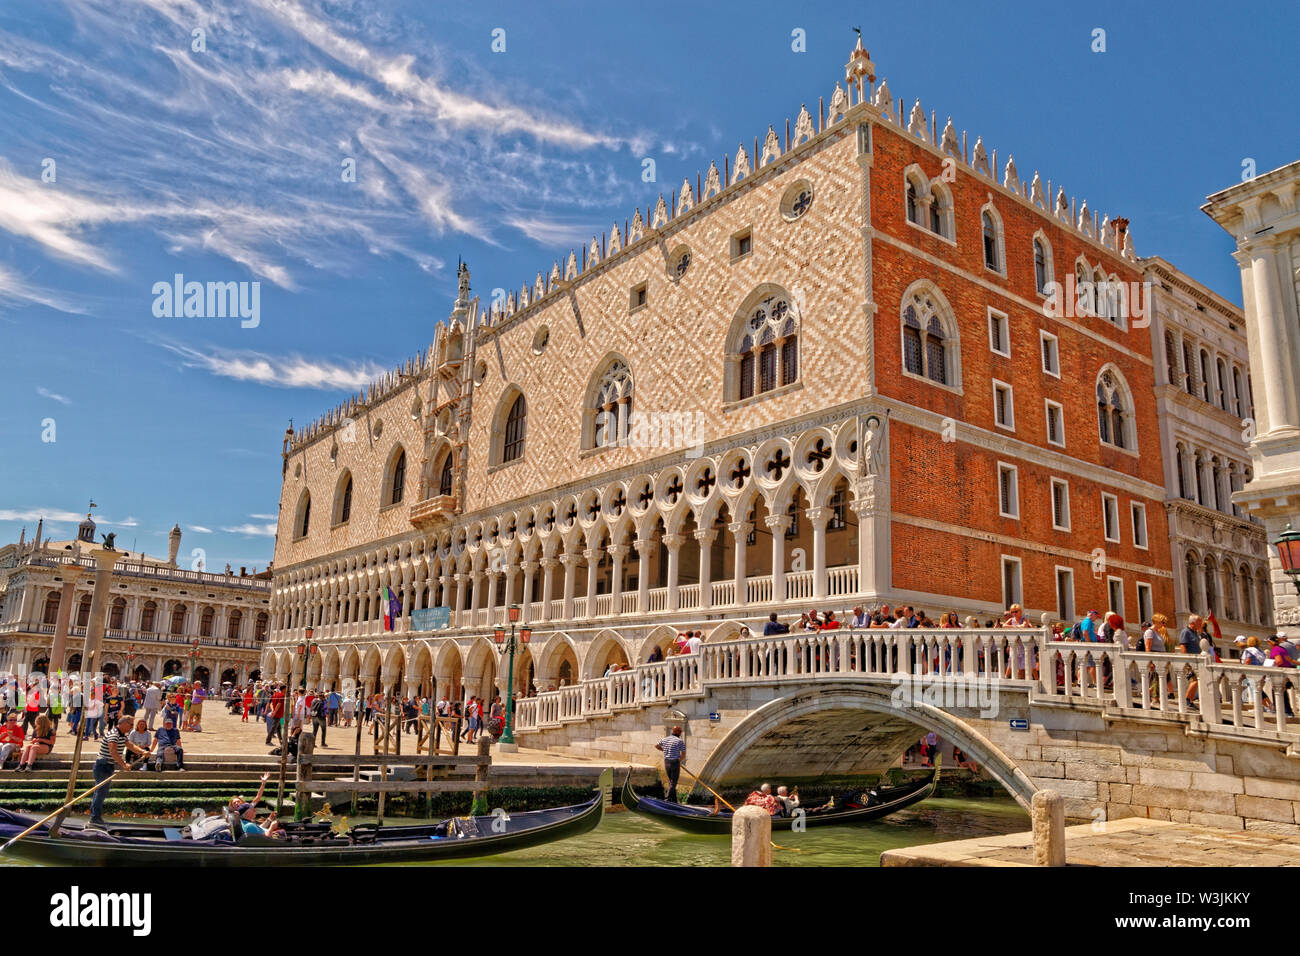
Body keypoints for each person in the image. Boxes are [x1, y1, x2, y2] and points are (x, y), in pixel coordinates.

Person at [90, 716, 135, 826]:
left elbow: (130, 746)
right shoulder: (114, 734)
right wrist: (124, 765)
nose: (132, 727)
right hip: (103, 765)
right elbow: (113, 751)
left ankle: (95, 816)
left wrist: (143, 751)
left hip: (107, 765)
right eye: (131, 724)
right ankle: (95, 818)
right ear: (124, 723)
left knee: (101, 792)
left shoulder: (122, 734)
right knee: (100, 792)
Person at [655, 726, 686, 802]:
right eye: (680, 731)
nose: (681, 733)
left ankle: (674, 800)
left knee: (670, 781)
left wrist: (665, 750)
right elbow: (683, 754)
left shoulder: (665, 739)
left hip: (667, 762)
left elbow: (656, 746)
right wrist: (679, 761)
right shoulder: (679, 741)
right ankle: (667, 799)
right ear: (677, 732)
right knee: (673, 782)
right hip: (675, 762)